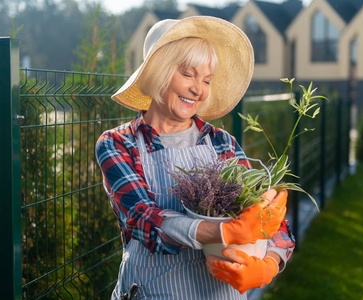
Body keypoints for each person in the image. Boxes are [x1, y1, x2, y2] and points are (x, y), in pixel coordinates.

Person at [96, 16, 295, 300]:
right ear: (158, 71)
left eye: (207, 80)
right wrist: (227, 232)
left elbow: (271, 221)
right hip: (152, 292)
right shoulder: (119, 144)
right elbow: (145, 221)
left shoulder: (222, 143)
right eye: (188, 74)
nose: (198, 89)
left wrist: (268, 265)